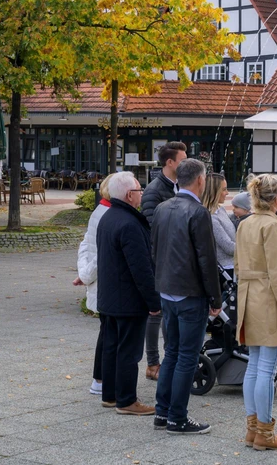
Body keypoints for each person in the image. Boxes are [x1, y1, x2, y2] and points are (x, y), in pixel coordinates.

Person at [151, 158, 222, 435]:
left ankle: (162, 412)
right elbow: (207, 259)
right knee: (186, 358)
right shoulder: (198, 212)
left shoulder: (162, 207)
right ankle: (177, 418)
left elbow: (155, 249)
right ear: (201, 180)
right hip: (190, 294)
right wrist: (215, 299)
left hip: (168, 290)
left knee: (172, 354)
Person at [235, 174, 277, 451]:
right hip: (270, 299)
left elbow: (238, 265)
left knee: (253, 365)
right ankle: (264, 431)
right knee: (266, 367)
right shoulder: (273, 227)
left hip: (249, 296)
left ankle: (253, 430)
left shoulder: (245, 223)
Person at [95, 172, 161, 415]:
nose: (141, 194)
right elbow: (141, 268)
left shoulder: (108, 216)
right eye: (138, 190)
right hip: (128, 298)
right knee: (129, 351)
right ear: (128, 194)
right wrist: (153, 301)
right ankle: (126, 400)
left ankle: (111, 395)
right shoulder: (130, 223)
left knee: (111, 347)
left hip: (110, 296)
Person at [140, 141, 187, 381]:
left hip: (174, 261)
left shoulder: (179, 186)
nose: (185, 163)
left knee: (169, 313)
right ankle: (153, 363)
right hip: (158, 261)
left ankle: (171, 359)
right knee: (156, 312)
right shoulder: (154, 191)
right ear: (170, 162)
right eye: (182, 159)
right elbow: (152, 228)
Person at [73, 173, 114, 396]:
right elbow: (99, 252)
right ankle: (100, 380)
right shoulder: (106, 213)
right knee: (108, 335)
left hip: (98, 281)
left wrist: (84, 273)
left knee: (106, 333)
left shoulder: (101, 210)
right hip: (103, 283)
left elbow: (87, 245)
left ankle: (100, 379)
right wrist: (87, 275)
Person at [201, 173, 236, 275]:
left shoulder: (221, 209)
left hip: (234, 265)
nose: (227, 193)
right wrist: (250, 247)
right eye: (224, 189)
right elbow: (228, 247)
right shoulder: (211, 218)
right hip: (225, 270)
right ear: (214, 192)